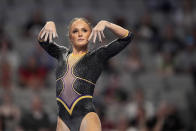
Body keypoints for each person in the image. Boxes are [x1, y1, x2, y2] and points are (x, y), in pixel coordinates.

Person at [37, 17, 134, 131]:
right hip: (63, 120)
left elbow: (127, 37)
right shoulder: (61, 54)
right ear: (70, 37)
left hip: (86, 117)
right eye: (75, 31)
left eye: (84, 30)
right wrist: (48, 24)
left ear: (90, 35)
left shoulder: (97, 56)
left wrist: (106, 23)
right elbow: (42, 40)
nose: (80, 34)